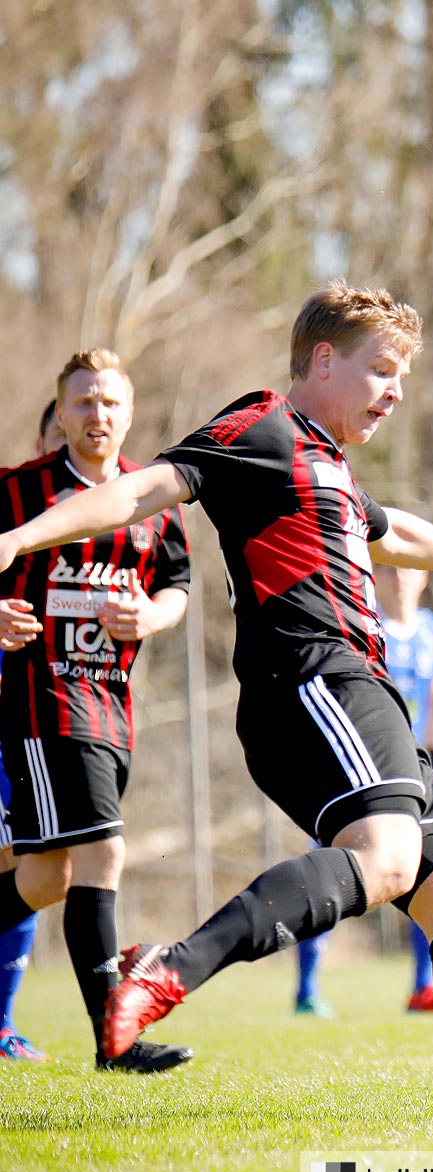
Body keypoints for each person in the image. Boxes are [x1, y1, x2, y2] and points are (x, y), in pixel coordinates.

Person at [0, 282, 433, 1134]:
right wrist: (20, 536)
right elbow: (148, 489)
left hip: (362, 691)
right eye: (380, 371)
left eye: (401, 378)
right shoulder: (260, 427)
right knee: (386, 862)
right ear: (320, 360)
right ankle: (171, 965)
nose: (393, 391)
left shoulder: (327, 463)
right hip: (312, 679)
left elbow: (393, 530)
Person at [0, 351, 196, 1073]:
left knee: (48, 878)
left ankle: (113, 1039)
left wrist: (149, 615)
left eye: (110, 403)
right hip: (42, 703)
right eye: (83, 402)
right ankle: (114, 1040)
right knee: (103, 851)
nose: (97, 415)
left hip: (111, 709)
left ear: (130, 413)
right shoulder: (19, 494)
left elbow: (177, 583)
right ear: (60, 412)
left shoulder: (148, 502)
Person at [293, 564, 433, 1017]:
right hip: (359, 769)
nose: (401, 576)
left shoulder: (432, 630)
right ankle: (306, 990)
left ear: (425, 578)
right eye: (392, 567)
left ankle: (423, 986)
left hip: (412, 772)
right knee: (332, 875)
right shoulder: (364, 622)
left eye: (411, 568)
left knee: (426, 874)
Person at [0, 401, 68, 1063]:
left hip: (40, 724)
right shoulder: (10, 501)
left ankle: (3, 1021)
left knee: (28, 865)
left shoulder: (98, 525)